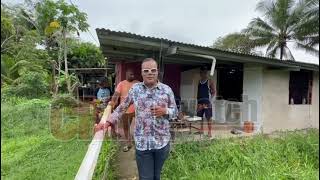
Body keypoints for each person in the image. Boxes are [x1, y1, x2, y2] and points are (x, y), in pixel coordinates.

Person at [95, 58, 178, 180]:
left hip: (162, 143)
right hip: (142, 144)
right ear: (142, 72)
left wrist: (165, 111)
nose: (150, 73)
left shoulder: (167, 90)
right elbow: (122, 108)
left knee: (156, 176)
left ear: (157, 72)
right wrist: (108, 121)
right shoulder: (135, 89)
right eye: (146, 70)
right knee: (146, 177)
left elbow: (175, 111)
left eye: (153, 70)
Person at [109, 68, 139, 152]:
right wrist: (112, 103)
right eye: (131, 74)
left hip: (137, 110)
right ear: (126, 75)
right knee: (126, 127)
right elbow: (116, 95)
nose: (132, 76)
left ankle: (139, 143)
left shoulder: (137, 83)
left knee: (140, 127)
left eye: (133, 74)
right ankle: (128, 143)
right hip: (125, 110)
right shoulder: (121, 84)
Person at [197, 66, 216, 137]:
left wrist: (209, 102)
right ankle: (201, 130)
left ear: (206, 73)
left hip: (207, 103)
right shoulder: (199, 81)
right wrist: (198, 103)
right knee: (200, 117)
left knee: (208, 118)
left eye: (204, 72)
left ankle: (209, 133)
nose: (202, 74)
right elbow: (199, 92)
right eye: (201, 72)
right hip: (200, 102)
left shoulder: (209, 81)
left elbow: (214, 92)